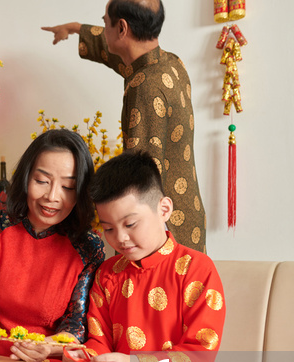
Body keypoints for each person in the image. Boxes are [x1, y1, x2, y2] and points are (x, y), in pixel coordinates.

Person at [64, 150, 225, 362]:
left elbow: (200, 357)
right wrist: (81, 358)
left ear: (164, 209)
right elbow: (98, 342)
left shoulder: (197, 269)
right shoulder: (108, 274)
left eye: (130, 223)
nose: (120, 238)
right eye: (109, 228)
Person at [42, 0, 207, 253]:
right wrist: (76, 28)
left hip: (161, 230)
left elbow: (139, 174)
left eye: (104, 23)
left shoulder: (145, 87)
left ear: (122, 28)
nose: (103, 28)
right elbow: (115, 51)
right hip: (187, 212)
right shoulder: (170, 63)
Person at [0, 129, 105, 362]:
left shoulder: (88, 248)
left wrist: (47, 347)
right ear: (26, 178)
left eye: (67, 187)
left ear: (80, 192)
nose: (52, 196)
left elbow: (78, 328)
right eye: (42, 181)